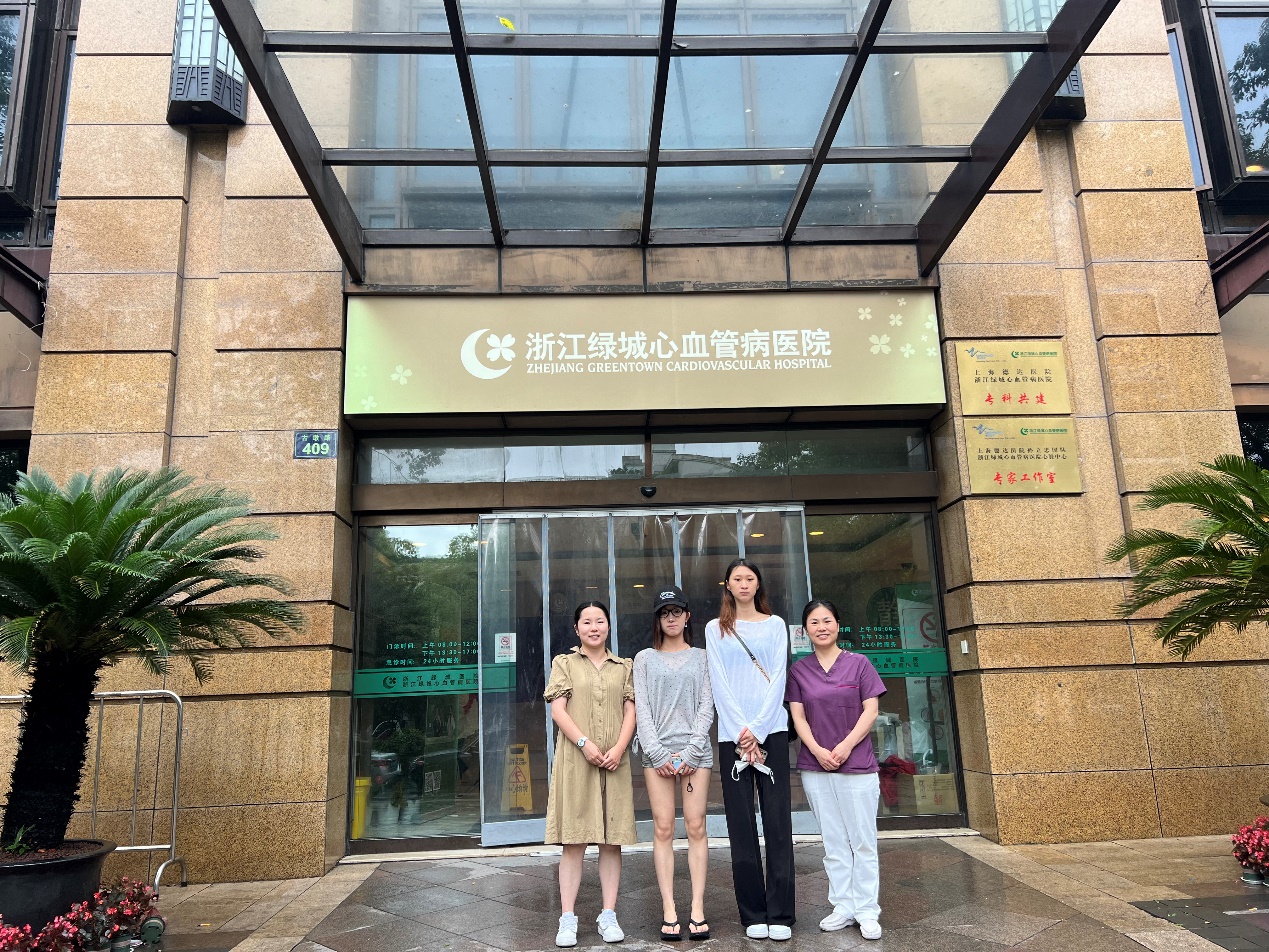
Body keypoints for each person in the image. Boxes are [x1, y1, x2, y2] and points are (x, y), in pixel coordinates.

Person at [705, 558, 796, 941]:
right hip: (733, 736)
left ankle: (781, 913)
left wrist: (757, 730)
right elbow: (718, 682)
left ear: (758, 585)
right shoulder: (715, 629)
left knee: (777, 823)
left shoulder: (775, 625)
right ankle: (753, 913)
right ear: (727, 585)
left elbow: (778, 679)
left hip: (771, 731)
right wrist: (743, 732)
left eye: (750, 578)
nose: (744, 584)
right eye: (737, 579)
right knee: (740, 825)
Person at [787, 599, 886, 940]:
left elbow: (870, 711)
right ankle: (843, 905)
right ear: (805, 630)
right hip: (816, 768)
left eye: (827, 620)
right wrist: (817, 751)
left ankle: (867, 910)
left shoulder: (859, 664)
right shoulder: (799, 671)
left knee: (863, 841)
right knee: (833, 841)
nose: (821, 627)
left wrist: (844, 747)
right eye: (814, 622)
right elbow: (798, 717)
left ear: (838, 624)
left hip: (857, 765)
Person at [544, 601, 637, 947]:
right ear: (576, 628)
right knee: (574, 840)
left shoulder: (624, 667)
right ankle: (567, 918)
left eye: (600, 621)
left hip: (614, 760)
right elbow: (558, 711)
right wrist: (584, 743)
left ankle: (608, 914)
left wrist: (619, 749)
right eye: (587, 622)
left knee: (612, 840)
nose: (594, 627)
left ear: (608, 626)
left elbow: (631, 711)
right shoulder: (564, 663)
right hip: (576, 759)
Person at [633, 585, 714, 942]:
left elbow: (708, 705)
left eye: (676, 612)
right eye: (664, 613)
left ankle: (697, 907)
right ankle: (669, 908)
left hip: (697, 753)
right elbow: (642, 709)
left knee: (696, 826)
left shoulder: (703, 657)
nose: (671, 618)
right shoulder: (644, 659)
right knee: (663, 828)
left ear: (687, 616)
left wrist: (692, 751)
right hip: (657, 755)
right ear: (657, 619)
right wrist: (660, 754)